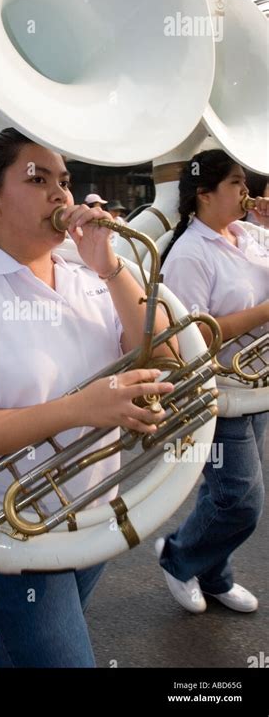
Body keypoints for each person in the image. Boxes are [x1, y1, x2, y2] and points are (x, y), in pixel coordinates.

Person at [0, 128, 176, 668]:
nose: (61, 194)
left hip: (89, 512)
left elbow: (167, 354)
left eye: (65, 181)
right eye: (38, 180)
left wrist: (111, 266)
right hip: (3, 528)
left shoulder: (89, 277)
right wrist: (81, 407)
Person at [156, 149, 269, 615]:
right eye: (237, 183)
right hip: (216, 394)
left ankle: (216, 575)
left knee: (222, 493)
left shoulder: (252, 236)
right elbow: (192, 336)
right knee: (242, 501)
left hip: (257, 385)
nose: (247, 192)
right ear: (203, 194)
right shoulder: (189, 254)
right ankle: (178, 557)